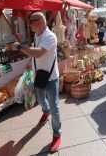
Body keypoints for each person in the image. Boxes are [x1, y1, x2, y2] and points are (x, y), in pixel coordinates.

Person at [9, 12, 62, 152]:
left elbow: (38, 52)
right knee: (39, 98)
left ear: (39, 22)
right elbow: (35, 55)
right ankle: (46, 111)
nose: (29, 25)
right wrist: (29, 62)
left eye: (31, 22)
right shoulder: (37, 35)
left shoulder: (50, 36)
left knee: (55, 107)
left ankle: (57, 134)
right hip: (38, 75)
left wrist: (20, 47)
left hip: (50, 78)